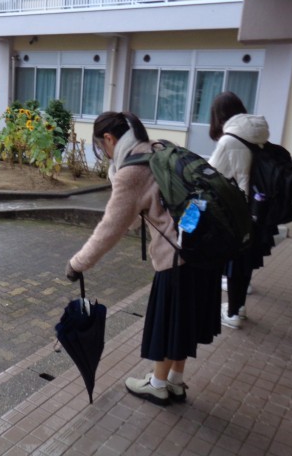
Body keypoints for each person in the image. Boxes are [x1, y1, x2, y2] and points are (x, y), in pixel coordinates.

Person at [66, 111, 222, 406]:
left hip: (177, 257)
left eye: (101, 146)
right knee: (182, 323)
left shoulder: (132, 171)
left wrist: (78, 263)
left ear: (109, 139)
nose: (103, 152)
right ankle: (175, 381)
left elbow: (111, 228)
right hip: (204, 248)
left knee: (168, 324)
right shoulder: (160, 147)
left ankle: (158, 385)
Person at [208, 91, 275, 329]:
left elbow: (210, 177)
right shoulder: (258, 136)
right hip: (259, 207)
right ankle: (240, 304)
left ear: (218, 116)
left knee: (235, 260)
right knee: (245, 259)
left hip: (238, 210)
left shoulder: (229, 141)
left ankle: (233, 313)